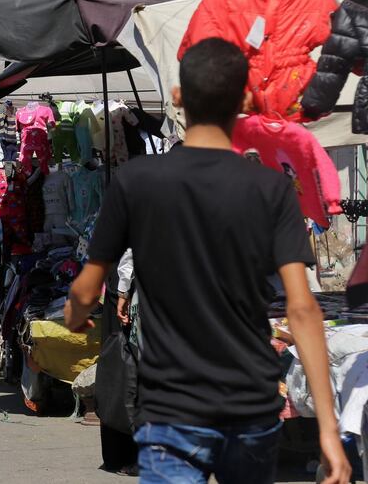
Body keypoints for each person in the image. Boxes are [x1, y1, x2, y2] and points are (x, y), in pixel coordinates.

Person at [65, 38, 350, 484]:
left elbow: (86, 291)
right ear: (245, 100)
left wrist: (75, 313)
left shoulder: (137, 181)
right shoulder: (270, 188)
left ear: (178, 98)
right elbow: (302, 308)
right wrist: (329, 431)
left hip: (171, 411)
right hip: (251, 407)